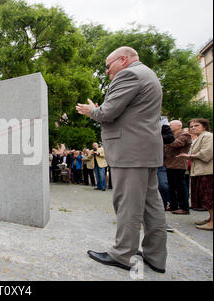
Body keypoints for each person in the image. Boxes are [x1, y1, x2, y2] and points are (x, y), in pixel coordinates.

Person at [77, 46, 167, 273]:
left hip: (130, 151)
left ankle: (122, 254)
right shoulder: (149, 74)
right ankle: (156, 256)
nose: (107, 72)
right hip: (146, 151)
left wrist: (92, 111)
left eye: (108, 67)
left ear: (123, 60)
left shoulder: (129, 74)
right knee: (151, 205)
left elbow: (107, 112)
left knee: (127, 203)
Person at [177, 119, 213, 231]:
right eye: (191, 126)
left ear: (204, 126)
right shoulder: (199, 137)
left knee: (209, 197)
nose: (193, 128)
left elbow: (207, 153)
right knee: (204, 196)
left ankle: (212, 222)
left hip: (208, 171)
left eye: (196, 125)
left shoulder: (208, 136)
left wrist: (189, 156)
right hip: (200, 171)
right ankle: (210, 218)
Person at [165, 120, 192, 214]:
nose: (169, 126)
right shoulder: (170, 135)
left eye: (171, 124)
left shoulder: (185, 135)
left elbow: (175, 144)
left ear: (179, 125)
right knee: (171, 187)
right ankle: (173, 205)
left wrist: (164, 139)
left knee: (180, 186)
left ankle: (184, 207)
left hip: (178, 164)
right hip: (169, 164)